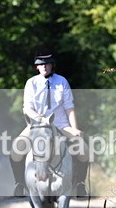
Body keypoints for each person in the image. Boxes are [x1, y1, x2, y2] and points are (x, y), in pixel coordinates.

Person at [10, 54, 89, 197]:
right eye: (41, 64)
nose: (44, 66)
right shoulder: (31, 83)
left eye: (47, 64)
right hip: (38, 124)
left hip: (60, 124)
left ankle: (80, 184)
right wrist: (40, 120)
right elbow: (28, 108)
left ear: (52, 65)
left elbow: (69, 107)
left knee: (83, 149)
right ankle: (19, 183)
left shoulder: (62, 81)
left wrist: (75, 128)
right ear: (37, 67)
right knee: (17, 148)